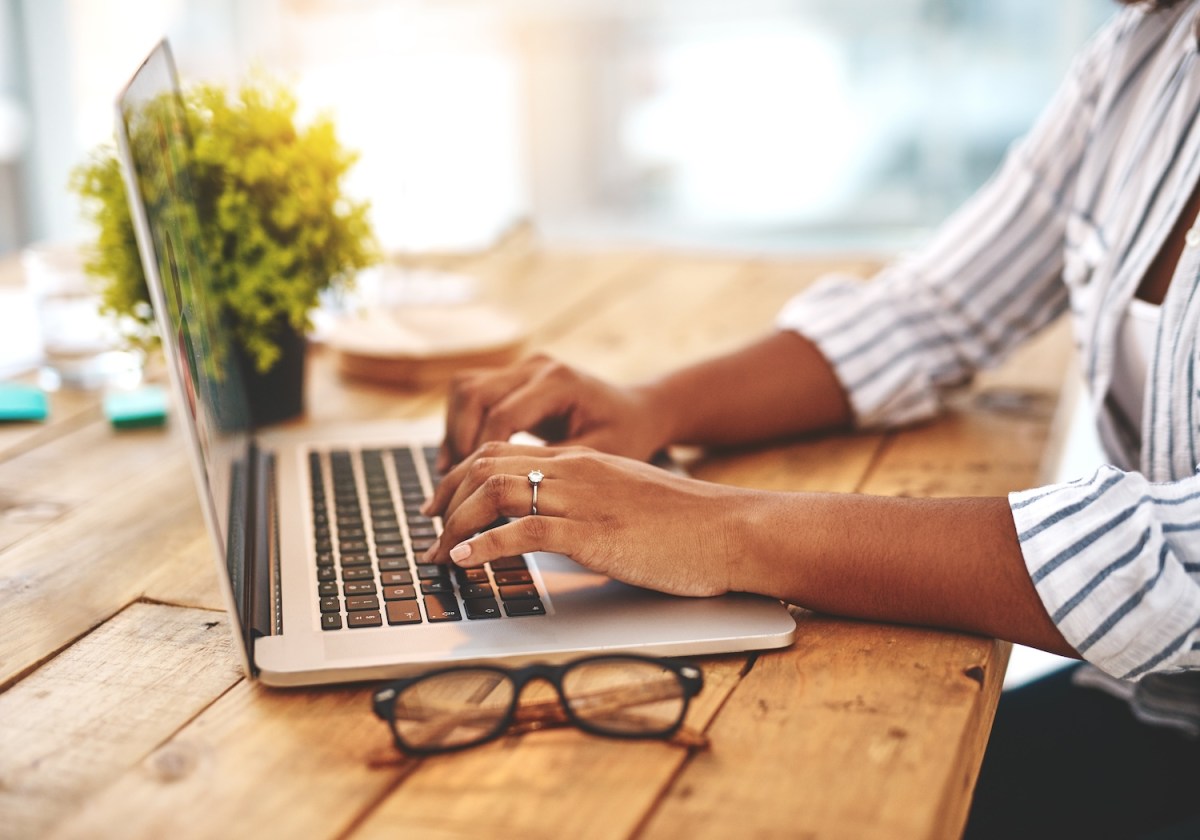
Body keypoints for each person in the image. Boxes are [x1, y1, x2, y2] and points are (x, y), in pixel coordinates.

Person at [422, 1, 1200, 835]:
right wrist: (656, 405)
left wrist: (723, 529)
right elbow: (931, 309)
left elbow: (1178, 559)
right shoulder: (1147, 52)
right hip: (1151, 710)